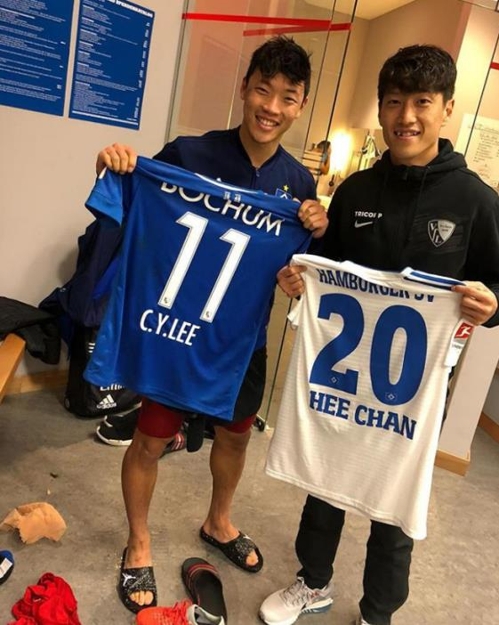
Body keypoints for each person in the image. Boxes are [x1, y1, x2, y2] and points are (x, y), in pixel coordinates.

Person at [259, 44, 499, 625]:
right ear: (381, 108)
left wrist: (493, 304)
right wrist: (301, 280)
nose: (405, 117)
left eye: (422, 103)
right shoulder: (357, 192)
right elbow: (328, 267)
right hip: (343, 375)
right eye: (393, 103)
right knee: (325, 480)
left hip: (416, 387)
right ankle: (313, 582)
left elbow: (497, 287)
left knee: (395, 501)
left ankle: (378, 613)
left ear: (446, 109)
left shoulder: (476, 201)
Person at [95, 36, 328, 613]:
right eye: (263, 90)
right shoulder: (188, 153)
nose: (272, 106)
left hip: (241, 338)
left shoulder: (299, 185)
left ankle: (218, 521)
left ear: (301, 106)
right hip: (174, 329)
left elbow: (296, 271)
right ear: (244, 88)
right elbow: (137, 198)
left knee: (236, 434)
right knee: (150, 438)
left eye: (288, 96)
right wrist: (115, 164)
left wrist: (306, 258)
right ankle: (138, 541)